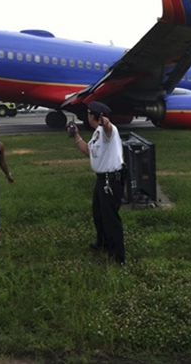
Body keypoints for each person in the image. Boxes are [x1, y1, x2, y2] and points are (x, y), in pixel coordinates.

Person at [71, 101, 126, 265]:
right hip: (102, 179)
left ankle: (118, 256)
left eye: (89, 114)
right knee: (98, 213)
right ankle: (102, 243)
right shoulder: (96, 133)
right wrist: (76, 135)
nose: (87, 116)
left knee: (110, 218)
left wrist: (106, 123)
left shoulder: (109, 131)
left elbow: (109, 129)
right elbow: (88, 151)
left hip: (112, 179)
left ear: (94, 116)